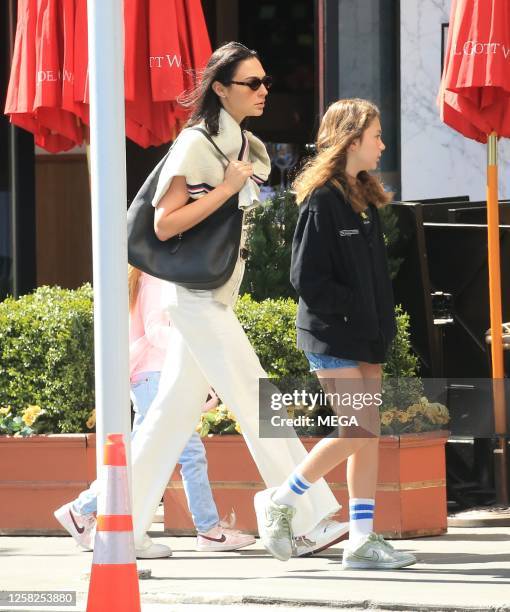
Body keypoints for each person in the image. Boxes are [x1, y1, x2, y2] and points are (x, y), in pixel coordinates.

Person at [126, 41, 348, 559]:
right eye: (253, 83)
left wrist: (233, 182)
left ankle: (114, 522)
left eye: (266, 81)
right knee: (257, 402)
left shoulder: (243, 146)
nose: (264, 90)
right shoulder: (196, 144)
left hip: (212, 299)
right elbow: (164, 223)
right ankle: (303, 517)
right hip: (195, 298)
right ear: (221, 89)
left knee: (169, 419)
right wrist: (227, 189)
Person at [254, 98, 417, 569]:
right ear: (351, 140)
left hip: (366, 337)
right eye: (376, 136)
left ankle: (361, 539)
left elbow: (373, 279)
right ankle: (281, 501)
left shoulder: (361, 198)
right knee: (357, 429)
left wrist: (378, 323)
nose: (383, 145)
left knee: (368, 435)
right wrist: (357, 312)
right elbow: (308, 279)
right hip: (333, 337)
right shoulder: (323, 199)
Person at [54, 266, 254, 558]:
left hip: (150, 376)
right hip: (155, 375)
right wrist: (192, 340)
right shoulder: (156, 278)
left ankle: (80, 510)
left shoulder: (146, 276)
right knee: (187, 454)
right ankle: (209, 530)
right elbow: (155, 330)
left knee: (141, 455)